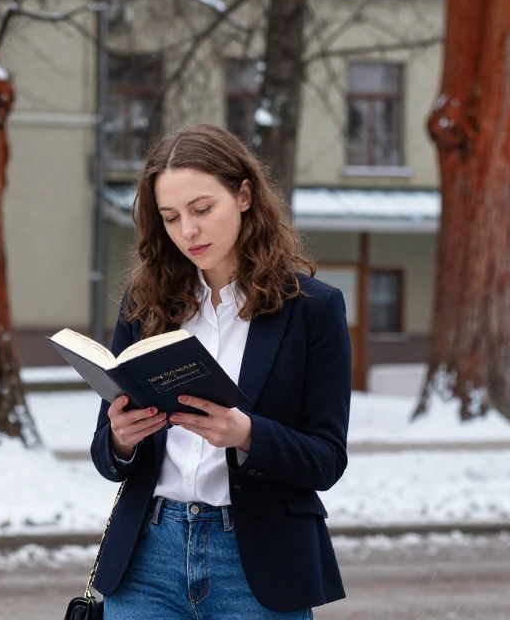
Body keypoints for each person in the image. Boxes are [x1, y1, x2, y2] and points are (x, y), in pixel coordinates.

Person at [89, 123, 351, 619]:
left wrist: (247, 434)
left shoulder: (312, 309)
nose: (187, 231)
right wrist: (121, 438)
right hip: (147, 560)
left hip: (258, 564)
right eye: (170, 217)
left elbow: (327, 459)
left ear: (244, 195)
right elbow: (106, 455)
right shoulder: (145, 305)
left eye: (202, 209)